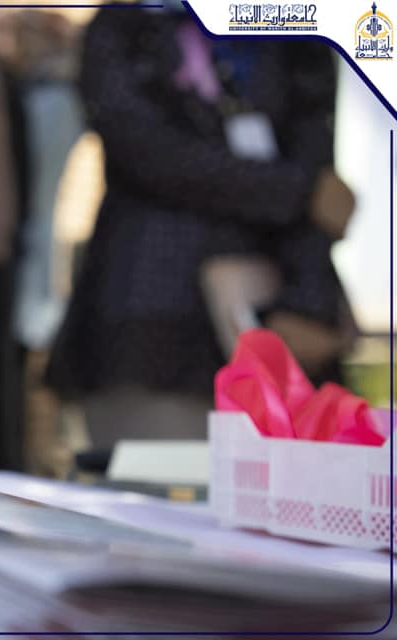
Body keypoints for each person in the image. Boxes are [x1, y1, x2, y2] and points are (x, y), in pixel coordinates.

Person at [46, 8, 356, 450]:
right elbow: (148, 153)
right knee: (156, 482)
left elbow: (321, 177)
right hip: (154, 320)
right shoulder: (127, 24)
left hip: (275, 309)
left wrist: (309, 302)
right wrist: (296, 190)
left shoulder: (297, 34)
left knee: (292, 479)